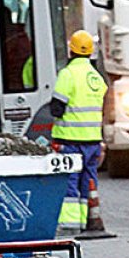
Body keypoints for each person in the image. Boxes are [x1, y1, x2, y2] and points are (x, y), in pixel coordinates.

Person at [50, 30, 106, 233]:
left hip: (70, 140)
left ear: (70, 49)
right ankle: (86, 220)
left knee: (70, 181)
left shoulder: (67, 74)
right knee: (88, 182)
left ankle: (70, 225)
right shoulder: (96, 78)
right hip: (93, 141)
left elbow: (56, 108)